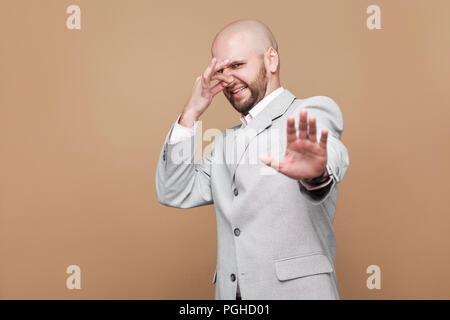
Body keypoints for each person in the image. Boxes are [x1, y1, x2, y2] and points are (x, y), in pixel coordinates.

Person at [156, 19, 349, 300]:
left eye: (237, 65)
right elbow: (173, 190)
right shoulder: (223, 144)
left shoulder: (309, 112)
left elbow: (331, 154)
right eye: (220, 70)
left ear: (271, 60)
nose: (228, 77)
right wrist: (190, 115)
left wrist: (316, 174)